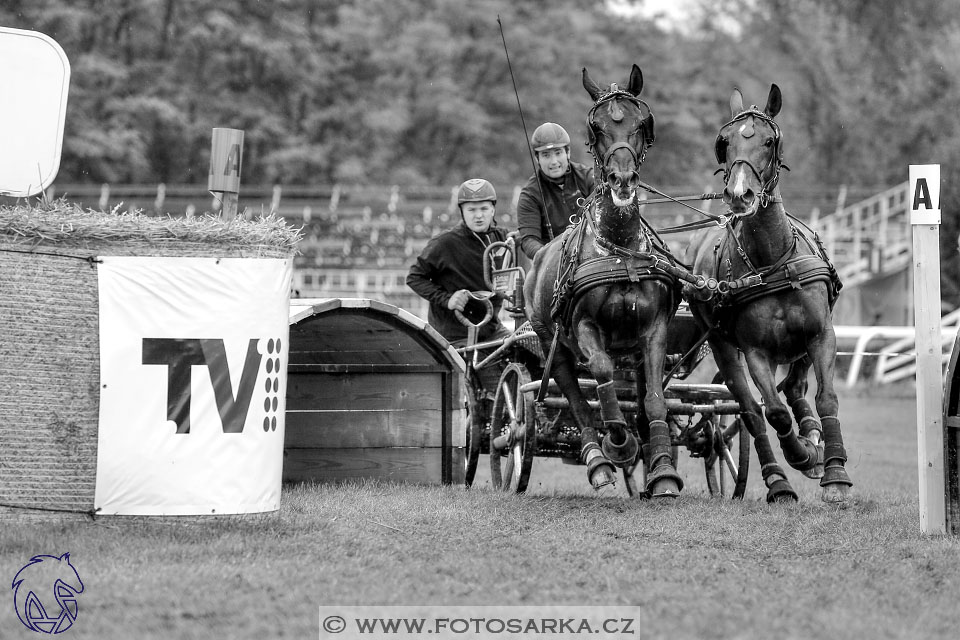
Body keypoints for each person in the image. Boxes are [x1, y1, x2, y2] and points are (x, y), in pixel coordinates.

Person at [406, 178, 510, 348]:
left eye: (484, 208)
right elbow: (414, 278)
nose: (478, 215)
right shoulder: (444, 243)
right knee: (487, 372)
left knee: (528, 351)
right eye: (471, 210)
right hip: (454, 335)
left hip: (491, 329)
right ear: (462, 211)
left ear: (493, 210)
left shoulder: (502, 237)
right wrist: (447, 299)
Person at [516, 122, 596, 260]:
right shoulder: (529, 195)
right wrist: (553, 258)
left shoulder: (589, 178)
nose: (554, 161)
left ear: (568, 153)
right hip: (553, 264)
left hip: (592, 256)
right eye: (546, 155)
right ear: (537, 159)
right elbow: (529, 240)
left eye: (558, 153)